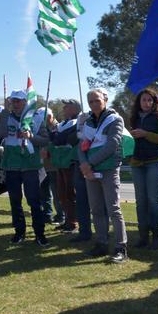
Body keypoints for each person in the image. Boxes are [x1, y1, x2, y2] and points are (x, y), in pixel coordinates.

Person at [78, 88, 128, 263]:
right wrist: (84, 165)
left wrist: (89, 163)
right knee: (97, 209)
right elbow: (81, 145)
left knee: (113, 209)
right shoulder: (88, 122)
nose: (93, 104)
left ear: (105, 99)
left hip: (108, 169)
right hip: (91, 171)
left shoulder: (115, 119)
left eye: (97, 100)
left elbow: (112, 145)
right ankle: (101, 243)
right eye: (90, 101)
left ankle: (121, 247)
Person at [0, 90, 49, 246]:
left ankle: (40, 233)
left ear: (26, 102)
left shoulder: (37, 118)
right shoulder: (6, 116)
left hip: (30, 165)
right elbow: (0, 133)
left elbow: (45, 140)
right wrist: (5, 111)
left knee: (34, 200)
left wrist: (31, 136)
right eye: (14, 101)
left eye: (19, 101)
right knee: (15, 201)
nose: (16, 104)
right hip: (12, 165)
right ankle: (19, 232)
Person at [129, 88, 158, 249]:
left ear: (154, 102)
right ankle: (143, 237)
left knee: (153, 200)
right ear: (139, 102)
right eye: (143, 100)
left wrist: (145, 133)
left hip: (155, 162)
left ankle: (157, 238)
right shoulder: (134, 118)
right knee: (141, 202)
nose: (146, 103)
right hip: (137, 163)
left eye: (149, 100)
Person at [50, 99, 92, 241]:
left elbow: (64, 138)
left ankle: (73, 222)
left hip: (71, 162)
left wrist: (58, 136)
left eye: (67, 106)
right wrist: (58, 136)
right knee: (62, 193)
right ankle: (67, 220)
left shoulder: (80, 121)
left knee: (70, 193)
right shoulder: (63, 123)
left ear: (75, 108)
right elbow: (55, 138)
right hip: (61, 162)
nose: (65, 108)